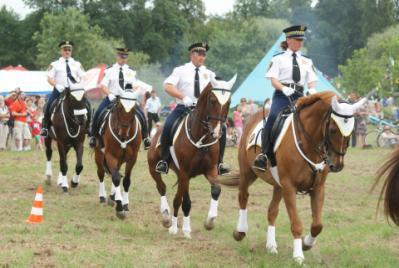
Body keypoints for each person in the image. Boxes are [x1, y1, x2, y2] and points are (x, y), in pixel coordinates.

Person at [155, 42, 230, 175]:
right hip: (183, 107)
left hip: (204, 112)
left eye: (204, 54)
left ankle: (219, 162)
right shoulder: (180, 70)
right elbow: (168, 86)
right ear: (192, 55)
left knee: (222, 128)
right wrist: (183, 97)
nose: (202, 57)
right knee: (168, 125)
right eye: (199, 54)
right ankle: (165, 160)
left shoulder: (209, 74)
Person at [254, 25, 318, 171]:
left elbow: (312, 79)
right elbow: (273, 80)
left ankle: (318, 153)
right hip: (282, 96)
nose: (300, 42)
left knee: (314, 119)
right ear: (288, 40)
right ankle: (264, 154)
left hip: (301, 96)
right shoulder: (278, 58)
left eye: (302, 40)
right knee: (273, 117)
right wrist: (283, 88)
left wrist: (312, 89)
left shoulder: (307, 61)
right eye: (297, 39)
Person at [89, 47, 151, 149]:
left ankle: (145, 138)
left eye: (125, 56)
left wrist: (135, 92)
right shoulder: (110, 70)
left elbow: (135, 85)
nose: (123, 58)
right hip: (113, 98)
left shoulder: (131, 71)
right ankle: (94, 136)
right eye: (122, 56)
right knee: (98, 113)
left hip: (128, 99)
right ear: (117, 56)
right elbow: (103, 85)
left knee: (141, 115)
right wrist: (109, 94)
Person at [40, 41, 89, 137]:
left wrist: (80, 85)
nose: (67, 52)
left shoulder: (77, 64)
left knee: (87, 104)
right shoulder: (55, 64)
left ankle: (88, 127)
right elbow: (49, 78)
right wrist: (57, 85)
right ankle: (45, 127)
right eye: (65, 49)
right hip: (60, 91)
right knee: (48, 105)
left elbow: (84, 76)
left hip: (74, 91)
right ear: (61, 51)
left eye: (69, 50)